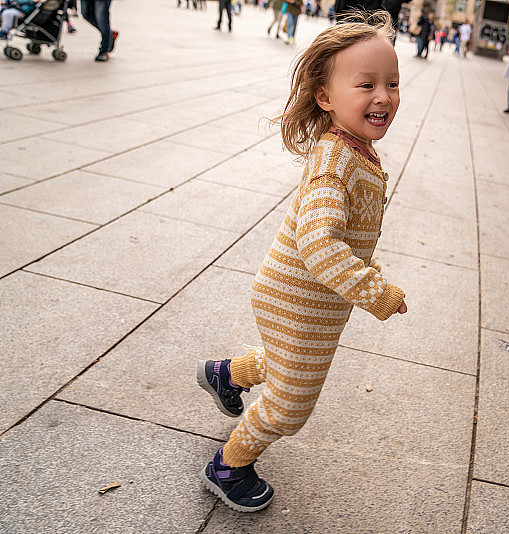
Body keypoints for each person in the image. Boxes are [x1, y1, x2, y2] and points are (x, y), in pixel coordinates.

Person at [198, 11, 406, 513]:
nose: (383, 96)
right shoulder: (335, 161)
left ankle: (227, 374)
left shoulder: (356, 151)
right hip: (297, 295)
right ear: (325, 97)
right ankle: (229, 465)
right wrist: (373, 289)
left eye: (392, 84)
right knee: (292, 405)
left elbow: (343, 242)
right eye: (367, 85)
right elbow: (319, 244)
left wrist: (363, 271)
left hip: (305, 296)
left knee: (288, 363)